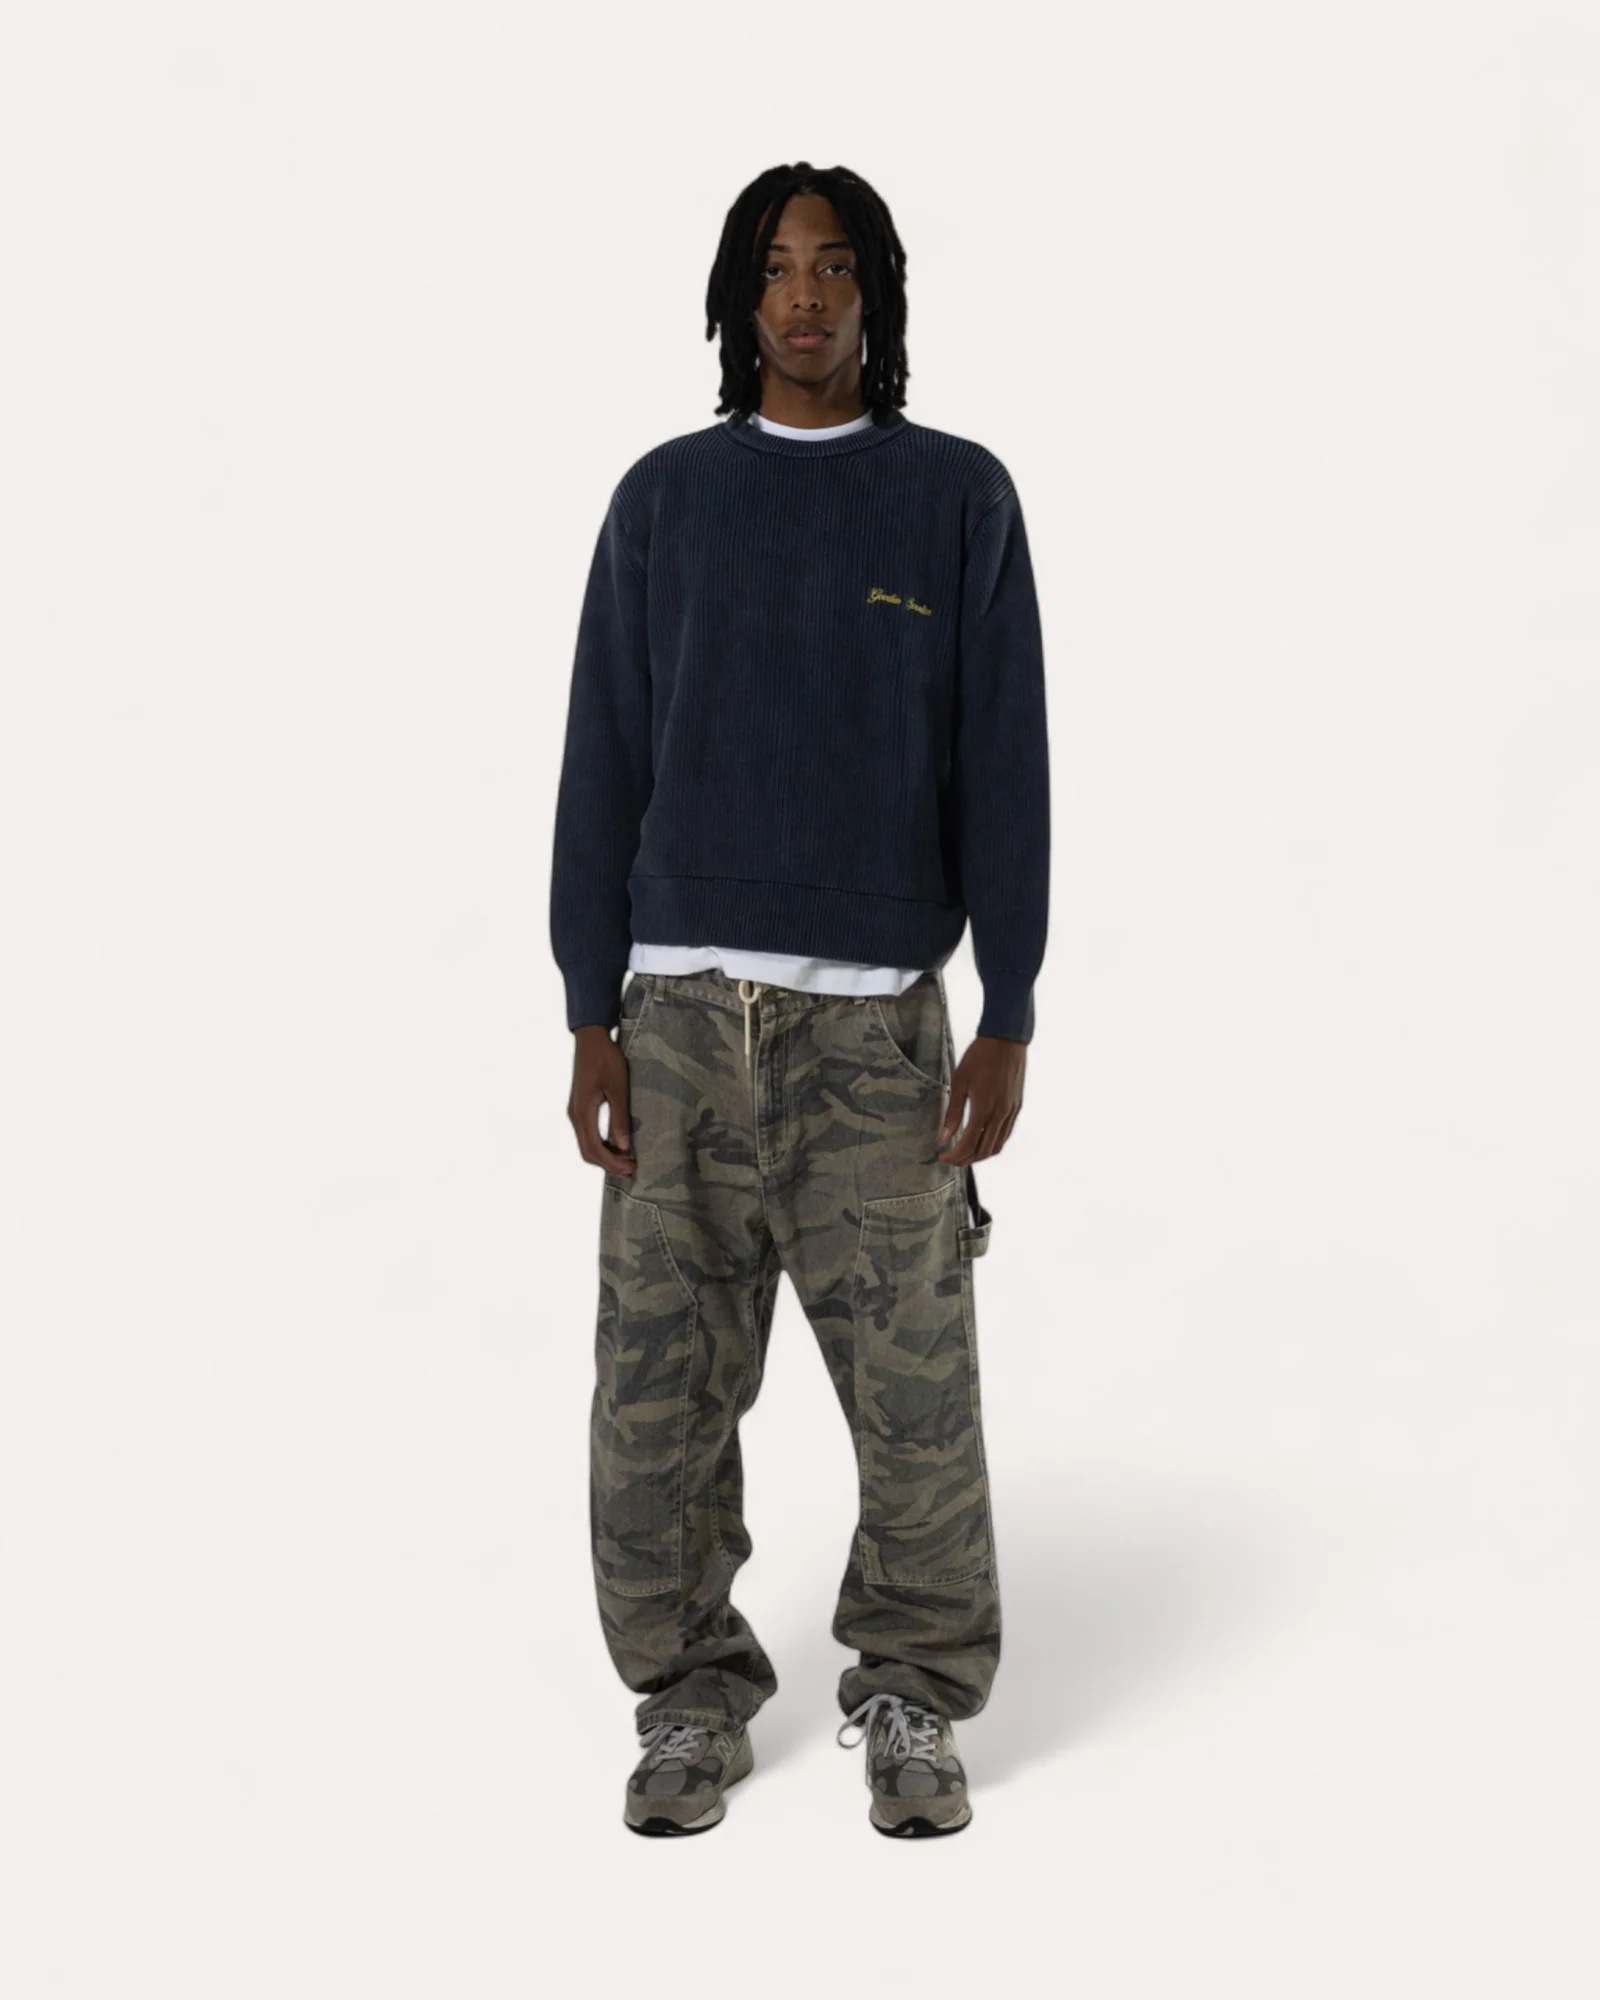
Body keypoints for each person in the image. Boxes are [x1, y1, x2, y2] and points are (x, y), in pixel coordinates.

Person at [550, 159, 1050, 1838]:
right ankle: (688, 1700)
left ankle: (913, 1691)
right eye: (775, 268)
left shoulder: (956, 498)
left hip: (877, 1041)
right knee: (656, 1408)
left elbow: (1006, 767)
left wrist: (1009, 1007)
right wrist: (588, 1009)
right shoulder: (666, 501)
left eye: (836, 267)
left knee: (919, 1409)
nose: (806, 296)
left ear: (876, 294)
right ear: (737, 299)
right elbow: (603, 758)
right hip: (679, 1029)